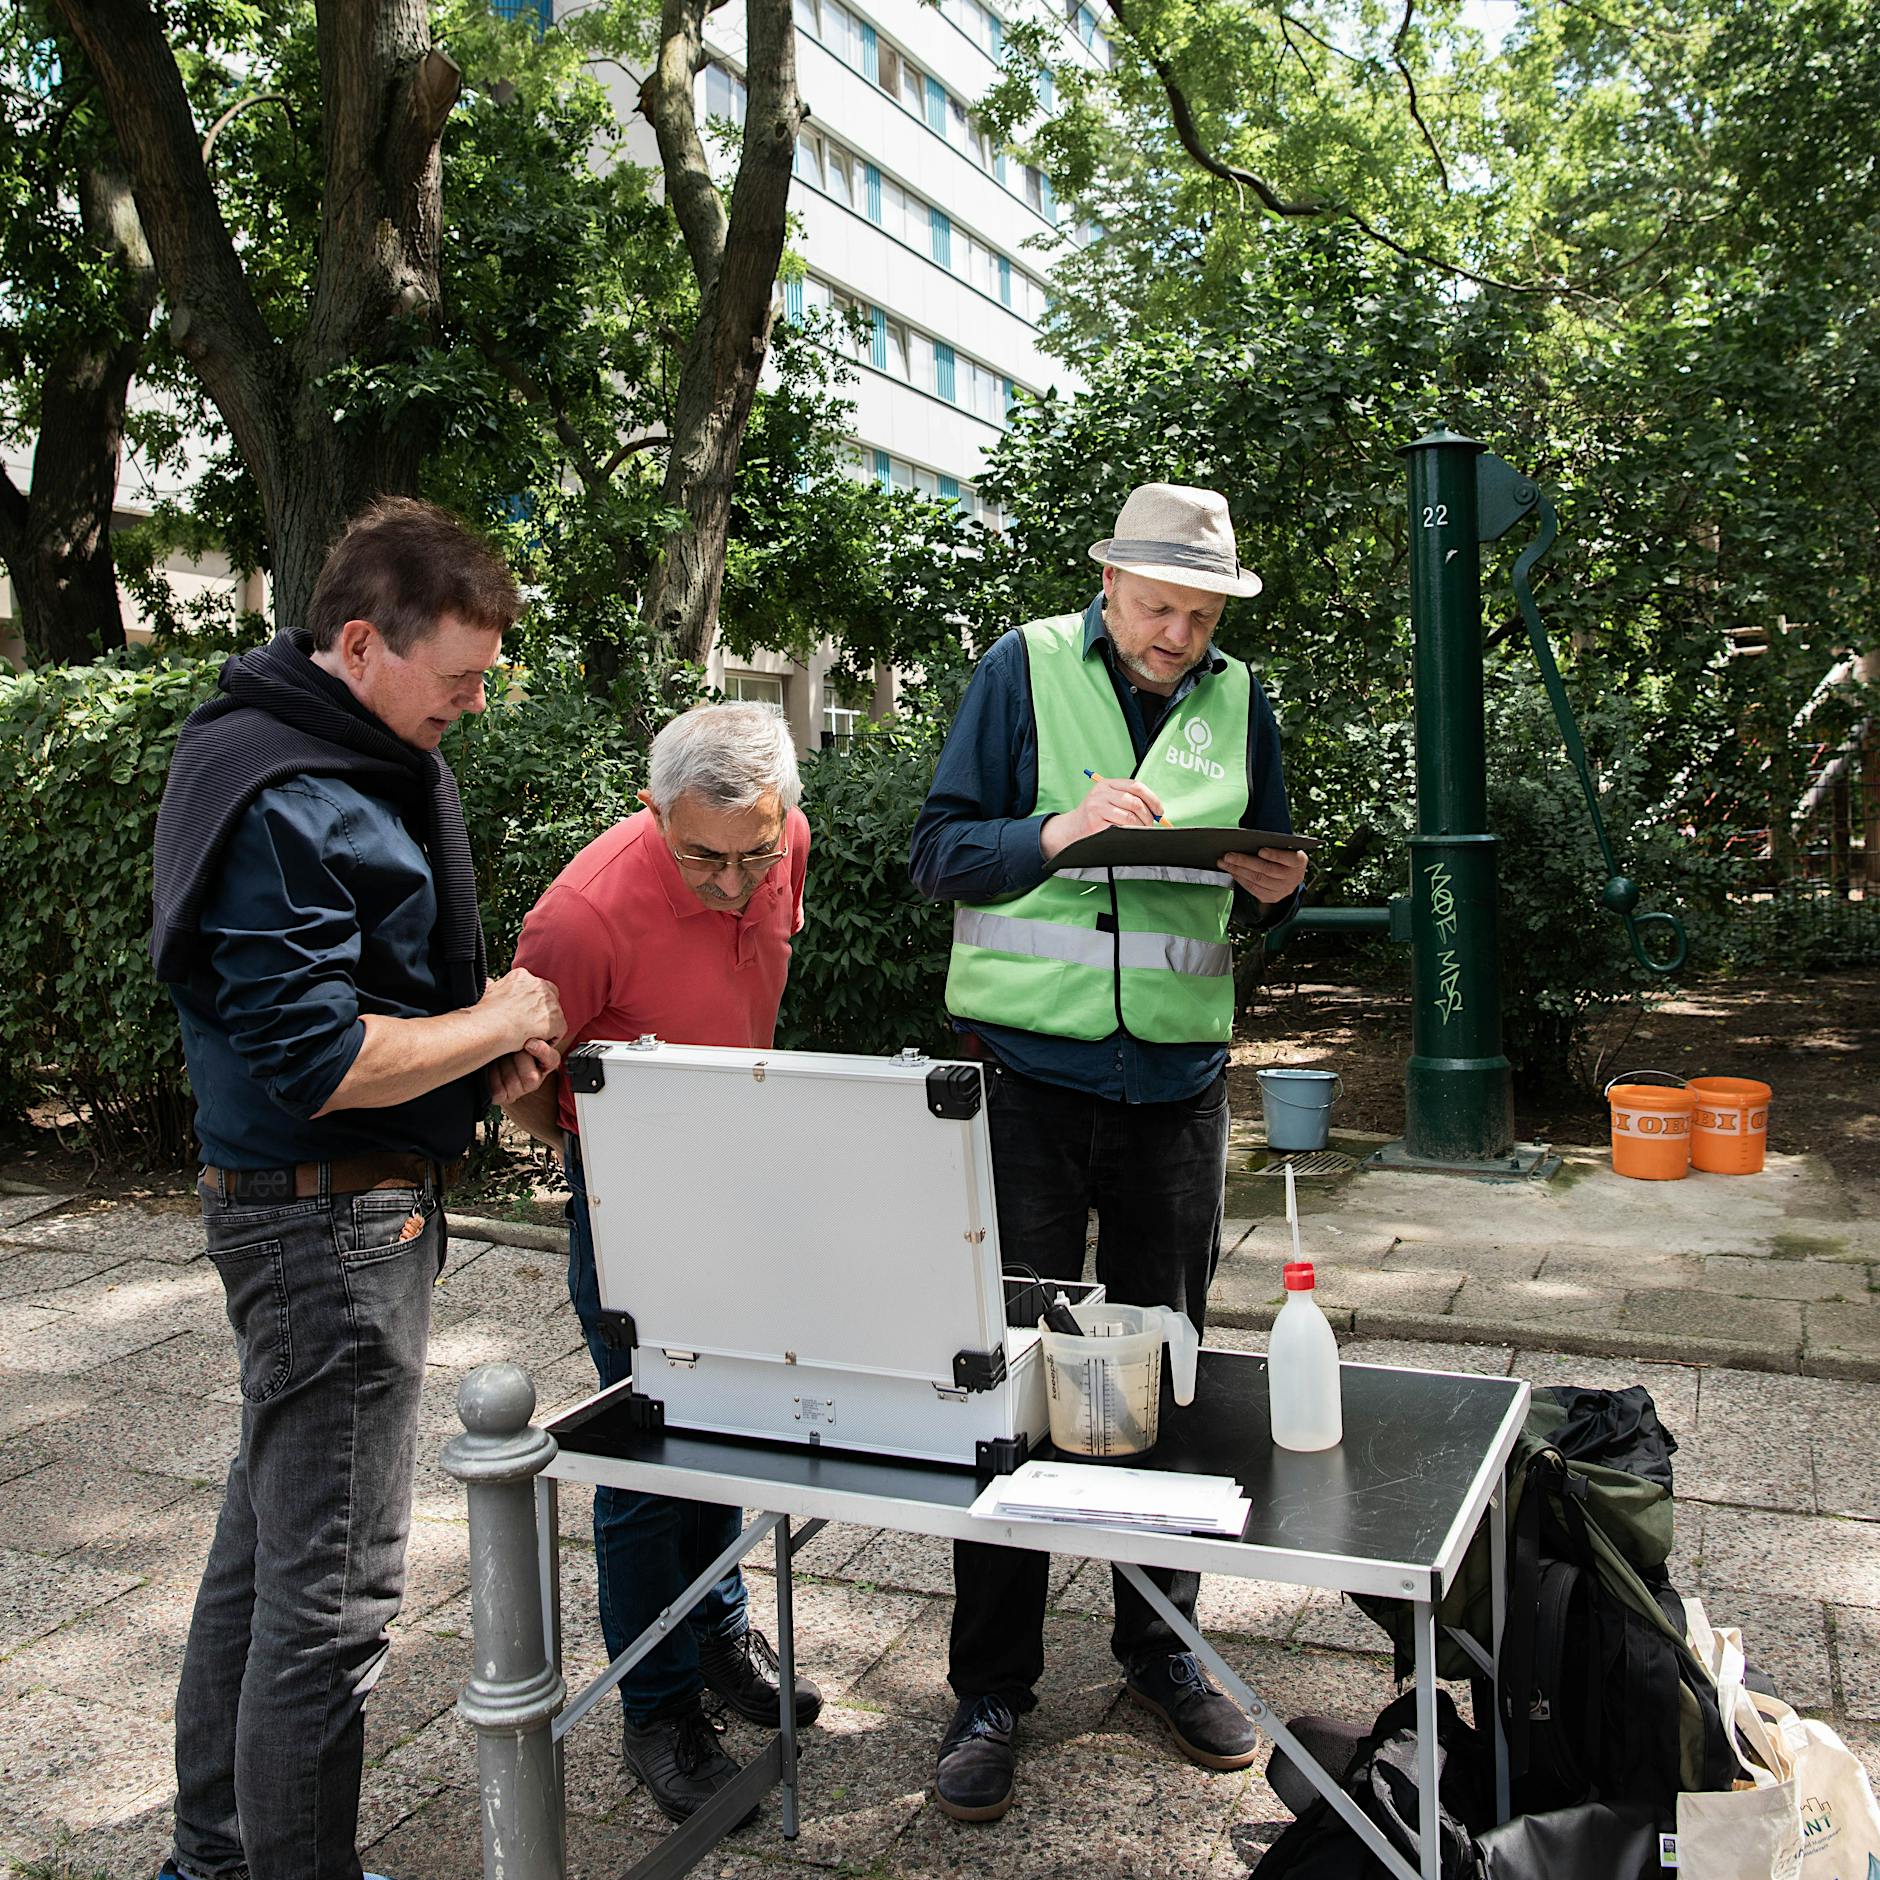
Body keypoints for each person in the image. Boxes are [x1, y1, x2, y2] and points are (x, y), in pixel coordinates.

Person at [149, 497, 565, 1880]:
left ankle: (214, 1859)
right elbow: (323, 1057)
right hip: (324, 1224)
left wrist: (466, 1061)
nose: (479, 702)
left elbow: (375, 1007)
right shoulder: (283, 789)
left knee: (266, 1559)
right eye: (459, 677)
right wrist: (497, 1021)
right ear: (360, 641)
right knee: (332, 1601)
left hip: (333, 1201)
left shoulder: (347, 746)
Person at [908, 482, 1309, 1822]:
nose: (1178, 634)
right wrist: (1061, 831)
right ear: (1110, 584)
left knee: (1163, 1378)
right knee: (1011, 1386)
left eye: (1200, 615)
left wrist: (1275, 880)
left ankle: (1160, 1652)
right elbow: (941, 852)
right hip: (1026, 1081)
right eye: (1158, 608)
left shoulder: (1239, 695)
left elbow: (1270, 854)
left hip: (1180, 1086)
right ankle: (992, 1690)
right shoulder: (1020, 667)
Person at [502, 702, 825, 1824]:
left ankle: (715, 1623)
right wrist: (618, 1179)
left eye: (756, 853)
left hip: (744, 1169)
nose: (738, 884)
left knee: (733, 1422)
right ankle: (657, 1700)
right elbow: (531, 1101)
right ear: (653, 811)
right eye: (703, 857)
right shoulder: (580, 918)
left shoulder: (777, 844)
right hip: (630, 1198)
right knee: (648, 1453)